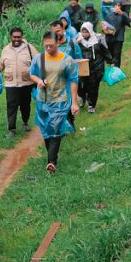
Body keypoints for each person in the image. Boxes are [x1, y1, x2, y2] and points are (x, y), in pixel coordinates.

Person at [30, 32, 80, 173]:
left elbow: (73, 80)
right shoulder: (38, 59)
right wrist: (39, 81)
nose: (48, 48)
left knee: (56, 129)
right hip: (42, 100)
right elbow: (32, 73)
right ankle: (52, 156)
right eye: (45, 46)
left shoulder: (67, 60)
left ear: (58, 43)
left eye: (51, 46)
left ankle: (51, 161)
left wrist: (74, 103)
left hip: (60, 100)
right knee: (46, 129)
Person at [0, 28, 38, 137]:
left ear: (22, 37)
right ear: (11, 37)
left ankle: (25, 122)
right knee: (11, 106)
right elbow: (1, 63)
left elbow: (38, 61)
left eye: (19, 37)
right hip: (11, 84)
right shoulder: (6, 49)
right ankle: (12, 129)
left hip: (26, 83)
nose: (16, 39)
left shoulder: (29, 48)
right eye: (14, 37)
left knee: (25, 105)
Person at [77, 21, 112, 114]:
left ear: (90, 31)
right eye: (83, 32)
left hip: (97, 67)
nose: (84, 34)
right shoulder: (79, 41)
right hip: (84, 68)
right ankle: (83, 96)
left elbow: (105, 52)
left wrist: (110, 61)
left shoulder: (98, 40)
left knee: (93, 87)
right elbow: (73, 52)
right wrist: (76, 44)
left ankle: (92, 105)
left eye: (86, 32)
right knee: (81, 86)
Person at [102, 2, 131, 68]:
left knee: (117, 54)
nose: (117, 7)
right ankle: (112, 69)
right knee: (110, 55)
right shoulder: (109, 15)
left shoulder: (123, 14)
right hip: (109, 38)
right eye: (116, 5)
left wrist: (122, 14)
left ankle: (117, 70)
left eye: (119, 5)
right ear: (113, 7)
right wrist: (104, 29)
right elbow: (104, 25)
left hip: (119, 38)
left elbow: (129, 21)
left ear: (121, 7)